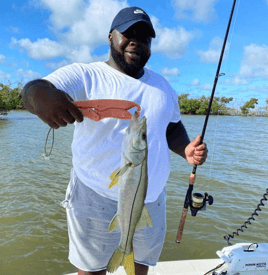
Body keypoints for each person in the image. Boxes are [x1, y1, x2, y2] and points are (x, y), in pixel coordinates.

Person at [23, 6, 208, 275]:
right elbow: (34, 89)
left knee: (140, 267)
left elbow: (171, 127)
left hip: (151, 198)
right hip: (93, 196)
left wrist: (187, 149)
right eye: (128, 33)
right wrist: (39, 98)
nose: (137, 41)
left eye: (144, 37)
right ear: (111, 37)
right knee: (92, 269)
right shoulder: (86, 74)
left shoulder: (163, 86)